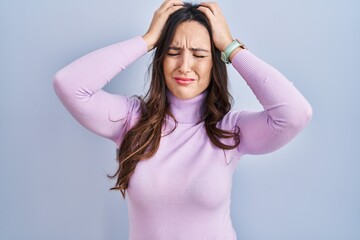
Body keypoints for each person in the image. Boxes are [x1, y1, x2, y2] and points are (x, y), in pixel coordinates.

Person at [53, 1, 312, 239]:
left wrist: (231, 47)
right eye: (173, 52)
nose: (185, 66)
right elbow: (69, 84)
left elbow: (295, 114)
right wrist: (148, 40)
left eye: (199, 55)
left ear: (214, 63)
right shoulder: (131, 120)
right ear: (160, 59)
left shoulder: (230, 131)